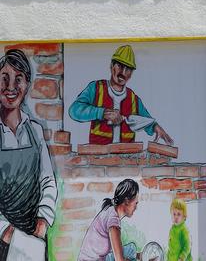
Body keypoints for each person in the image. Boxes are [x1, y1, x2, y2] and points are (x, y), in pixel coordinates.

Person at [0, 49, 57, 261]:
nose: (11, 87)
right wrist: (6, 232)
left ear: (27, 84)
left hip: (34, 235)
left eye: (18, 79)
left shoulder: (35, 131)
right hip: (2, 240)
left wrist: (43, 219)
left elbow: (48, 180)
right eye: (4, 79)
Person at [69, 45, 173, 145]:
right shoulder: (96, 88)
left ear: (131, 74)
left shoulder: (133, 99)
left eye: (128, 69)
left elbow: (146, 121)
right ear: (111, 66)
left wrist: (156, 127)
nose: (123, 72)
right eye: (120, 66)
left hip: (125, 159)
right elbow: (74, 110)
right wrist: (102, 113)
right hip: (98, 157)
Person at [78, 179, 140, 261]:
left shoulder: (110, 211)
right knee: (131, 251)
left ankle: (145, 256)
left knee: (131, 250)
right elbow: (119, 260)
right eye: (135, 203)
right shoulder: (113, 221)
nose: (136, 207)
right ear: (126, 201)